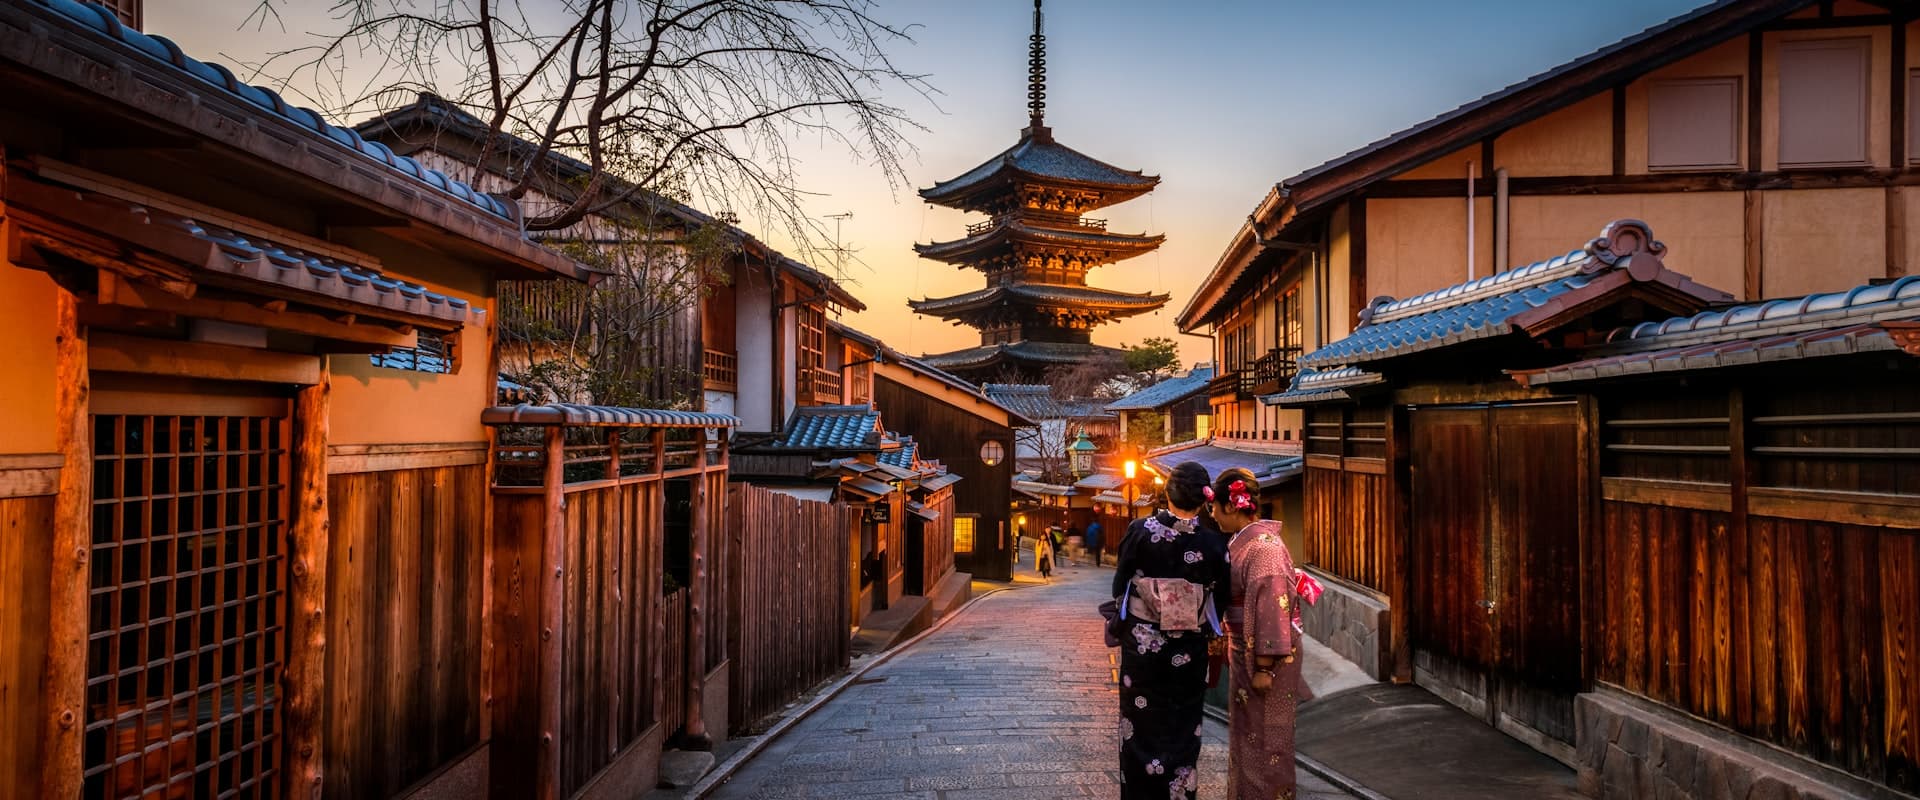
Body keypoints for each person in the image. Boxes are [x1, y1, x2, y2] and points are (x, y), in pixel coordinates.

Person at [1111, 462, 1229, 800]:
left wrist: (1146, 608)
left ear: (1167, 492)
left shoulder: (1140, 530)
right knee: (1182, 729)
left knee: (1139, 728)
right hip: (1188, 653)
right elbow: (1218, 600)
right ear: (1205, 499)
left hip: (1143, 650)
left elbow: (1120, 585)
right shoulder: (1214, 543)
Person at [1211, 467, 1312, 800]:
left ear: (1230, 506)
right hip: (1245, 652)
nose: (1212, 514)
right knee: (1248, 737)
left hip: (1266, 661)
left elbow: (1272, 606)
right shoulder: (1247, 544)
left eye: (1215, 506)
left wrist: (1265, 666)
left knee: (1268, 740)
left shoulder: (1264, 549)